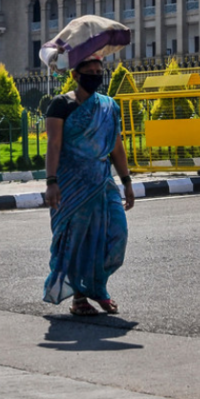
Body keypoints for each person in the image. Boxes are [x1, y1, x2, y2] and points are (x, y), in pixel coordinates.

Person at [43, 55, 135, 315]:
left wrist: (126, 181)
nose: (95, 75)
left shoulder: (108, 106)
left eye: (99, 70)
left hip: (102, 181)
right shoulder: (61, 105)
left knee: (116, 236)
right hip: (71, 183)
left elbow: (116, 146)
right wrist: (51, 182)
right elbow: (54, 145)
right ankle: (80, 298)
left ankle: (97, 287)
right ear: (75, 75)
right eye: (90, 71)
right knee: (78, 242)